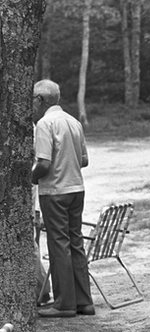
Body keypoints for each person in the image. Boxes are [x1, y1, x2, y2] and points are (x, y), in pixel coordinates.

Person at [31, 79, 95, 318]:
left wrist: (30, 178)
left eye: (32, 100)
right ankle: (84, 301)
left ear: (40, 100)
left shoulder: (45, 124)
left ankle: (64, 303)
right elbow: (84, 160)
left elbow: (44, 163)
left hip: (55, 192)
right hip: (76, 189)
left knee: (58, 245)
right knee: (75, 243)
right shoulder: (73, 121)